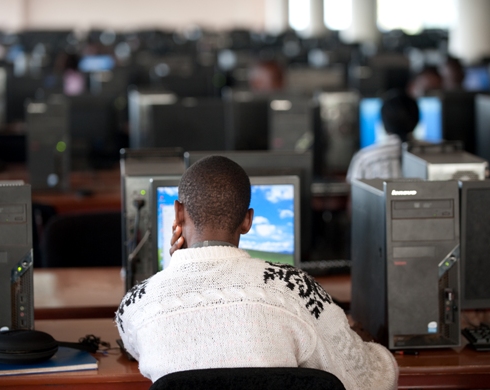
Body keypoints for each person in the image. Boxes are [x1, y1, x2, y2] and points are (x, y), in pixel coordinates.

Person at [115, 156, 398, 389]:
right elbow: (372, 381)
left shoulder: (137, 303)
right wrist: (371, 345)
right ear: (247, 221)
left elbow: (138, 348)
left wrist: (174, 273)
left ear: (178, 213)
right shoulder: (296, 288)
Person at [346, 90, 420, 182]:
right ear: (417, 121)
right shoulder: (437, 152)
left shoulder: (364, 160)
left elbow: (354, 194)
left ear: (383, 123)